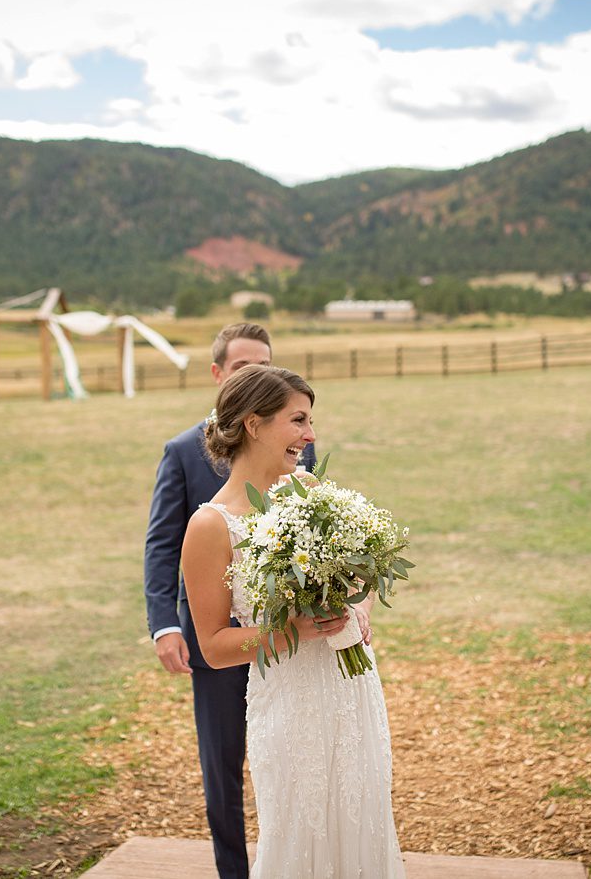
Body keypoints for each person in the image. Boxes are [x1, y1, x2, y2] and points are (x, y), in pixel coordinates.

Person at [182, 365, 404, 875]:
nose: (310, 435)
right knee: (299, 834)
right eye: (298, 420)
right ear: (254, 424)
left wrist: (358, 607)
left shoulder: (308, 489)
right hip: (288, 705)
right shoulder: (211, 526)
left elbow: (362, 575)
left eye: (310, 421)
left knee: (363, 822)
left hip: (353, 691)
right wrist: (291, 631)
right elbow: (212, 646)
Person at [143, 323, 315, 879]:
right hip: (214, 626)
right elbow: (163, 543)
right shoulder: (181, 451)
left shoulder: (297, 451)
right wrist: (164, 624)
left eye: (264, 364)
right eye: (244, 367)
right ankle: (234, 871)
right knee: (222, 760)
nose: (256, 374)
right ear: (219, 374)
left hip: (291, 639)